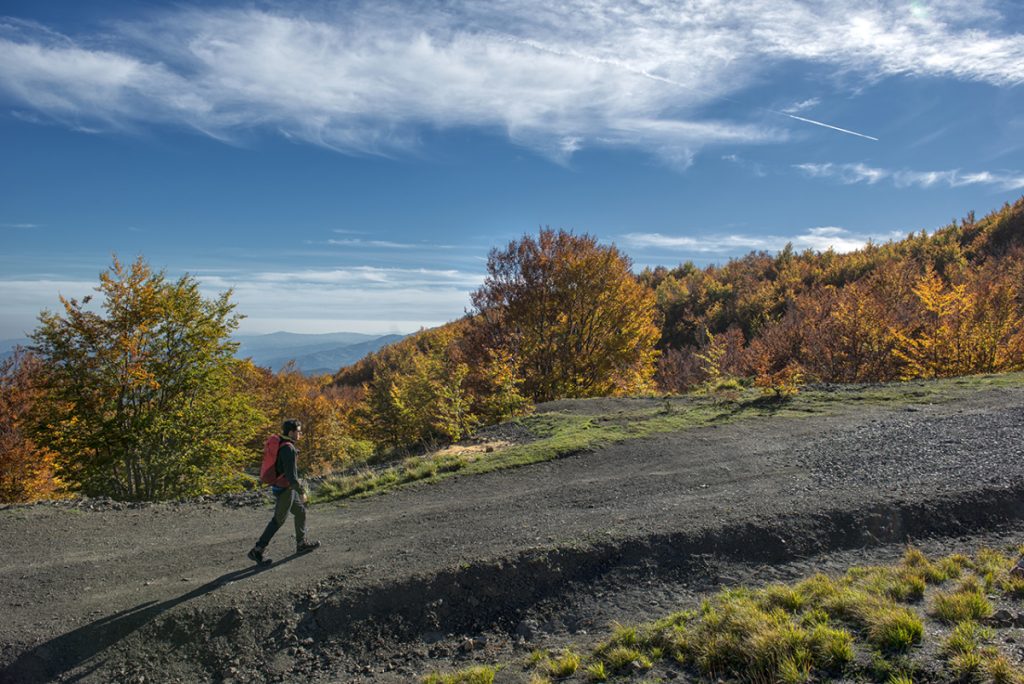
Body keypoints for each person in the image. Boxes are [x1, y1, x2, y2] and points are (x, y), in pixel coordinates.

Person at [248, 419, 320, 563]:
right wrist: (302, 491)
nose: (300, 434)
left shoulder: (281, 443)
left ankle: (301, 544)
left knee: (300, 512)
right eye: (298, 431)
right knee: (278, 521)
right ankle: (257, 550)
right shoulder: (289, 449)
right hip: (285, 489)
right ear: (291, 432)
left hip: (283, 486)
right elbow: (292, 476)